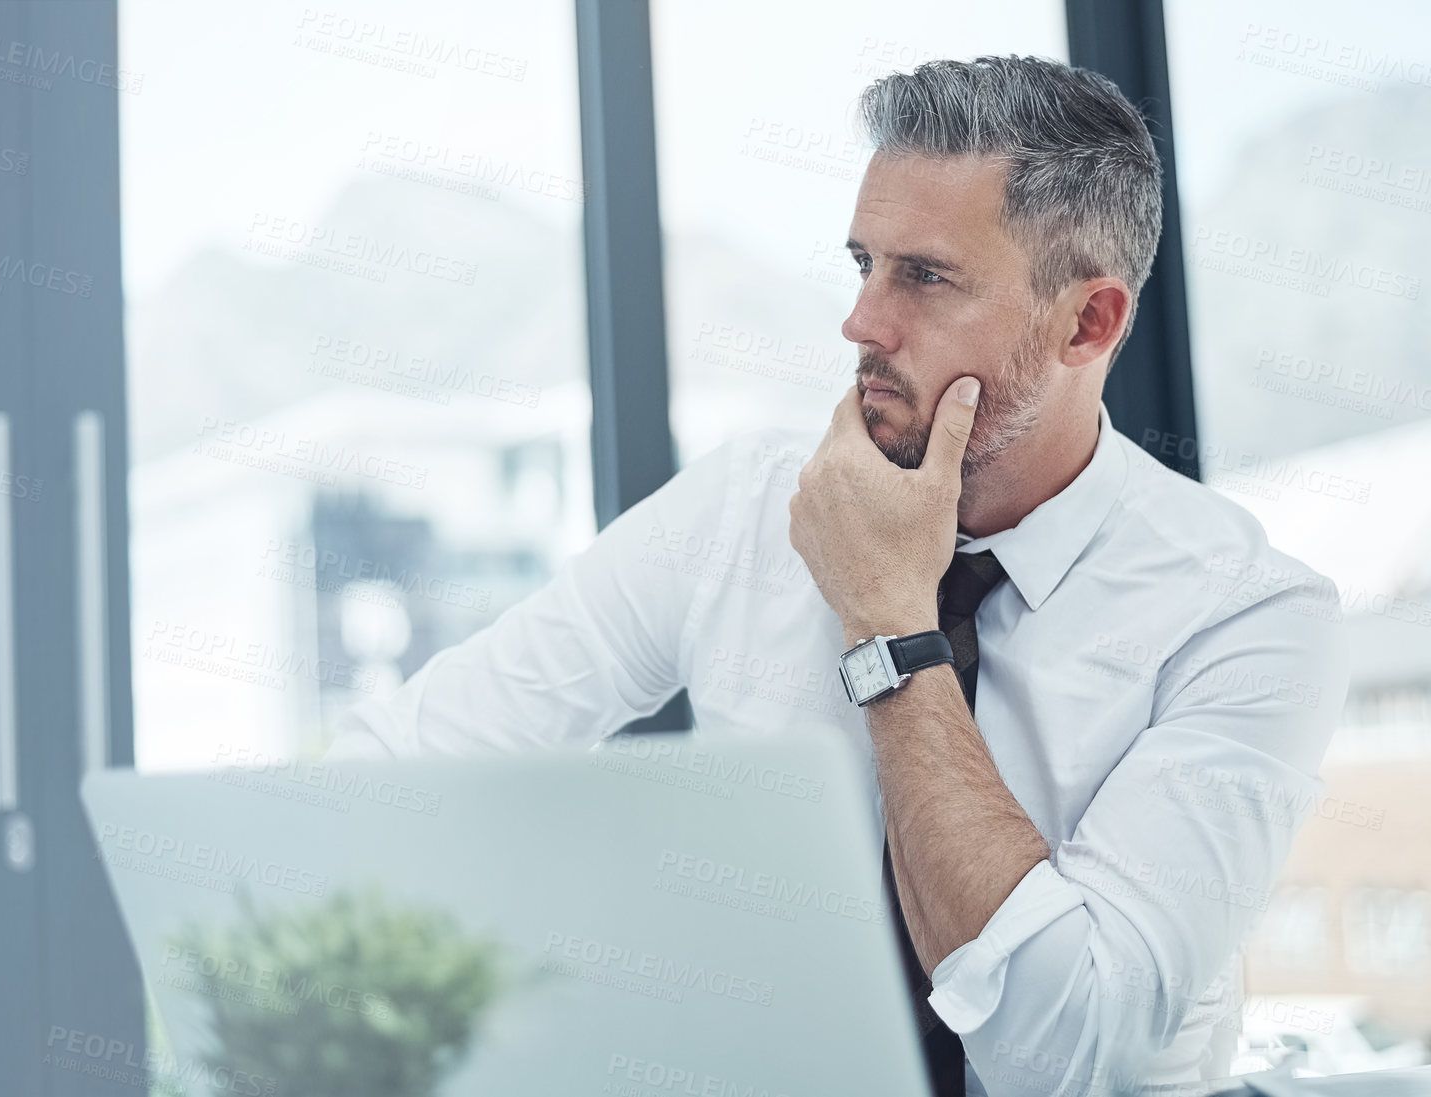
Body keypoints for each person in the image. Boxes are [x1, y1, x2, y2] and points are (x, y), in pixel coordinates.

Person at [327, 54, 1348, 1097]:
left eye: (925, 275)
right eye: (864, 261)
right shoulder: (740, 510)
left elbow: (1066, 1050)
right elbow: (395, 772)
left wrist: (889, 620)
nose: (861, 321)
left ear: (1087, 322)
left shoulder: (1248, 615)